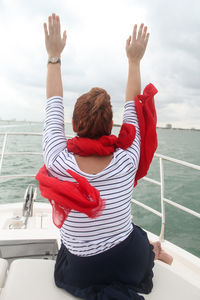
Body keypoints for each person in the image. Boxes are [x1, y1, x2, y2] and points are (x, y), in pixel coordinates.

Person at [38, 13, 173, 300]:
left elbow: (53, 104)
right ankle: (153, 255)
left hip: (82, 270)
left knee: (77, 257)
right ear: (111, 125)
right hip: (126, 261)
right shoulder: (127, 159)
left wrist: (54, 56)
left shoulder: (56, 160)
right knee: (135, 234)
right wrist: (134, 61)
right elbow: (134, 106)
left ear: (74, 124)